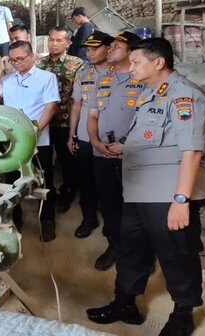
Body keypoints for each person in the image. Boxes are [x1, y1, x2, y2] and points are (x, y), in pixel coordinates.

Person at [87, 38, 205, 336]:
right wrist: (123, 145)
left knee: (176, 254)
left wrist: (181, 200)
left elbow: (191, 151)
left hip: (167, 195)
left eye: (136, 62)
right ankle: (125, 303)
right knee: (131, 251)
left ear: (158, 62)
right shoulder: (149, 94)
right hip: (138, 191)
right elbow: (149, 135)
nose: (130, 68)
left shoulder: (184, 97)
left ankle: (182, 315)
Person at [0, 41, 60, 241]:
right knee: (11, 183)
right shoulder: (8, 80)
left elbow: (50, 108)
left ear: (32, 56)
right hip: (11, 143)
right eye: (13, 59)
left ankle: (47, 220)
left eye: (21, 58)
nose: (17, 63)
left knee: (44, 181)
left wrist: (33, 133)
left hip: (38, 140)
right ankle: (14, 219)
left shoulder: (47, 78)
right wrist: (0, 69)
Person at [86, 31, 144, 270]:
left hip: (134, 156)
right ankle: (114, 245)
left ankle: (141, 254)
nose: (109, 49)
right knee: (109, 203)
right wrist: (95, 141)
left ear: (131, 52)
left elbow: (149, 121)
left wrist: (127, 144)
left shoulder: (142, 79)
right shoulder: (102, 79)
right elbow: (92, 116)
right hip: (102, 153)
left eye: (117, 46)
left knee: (136, 206)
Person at [68, 31, 114, 238]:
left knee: (109, 185)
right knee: (85, 181)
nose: (90, 53)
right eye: (88, 49)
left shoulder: (121, 73)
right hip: (85, 137)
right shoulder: (83, 74)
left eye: (95, 48)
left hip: (109, 138)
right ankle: (89, 219)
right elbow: (77, 106)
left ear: (108, 48)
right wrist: (72, 135)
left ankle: (111, 224)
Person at [36, 26, 85, 213]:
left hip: (65, 121)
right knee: (44, 161)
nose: (54, 44)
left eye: (59, 40)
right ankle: (49, 194)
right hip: (43, 122)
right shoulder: (39, 64)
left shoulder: (77, 64)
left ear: (68, 43)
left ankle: (67, 192)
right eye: (51, 39)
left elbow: (79, 97)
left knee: (67, 161)